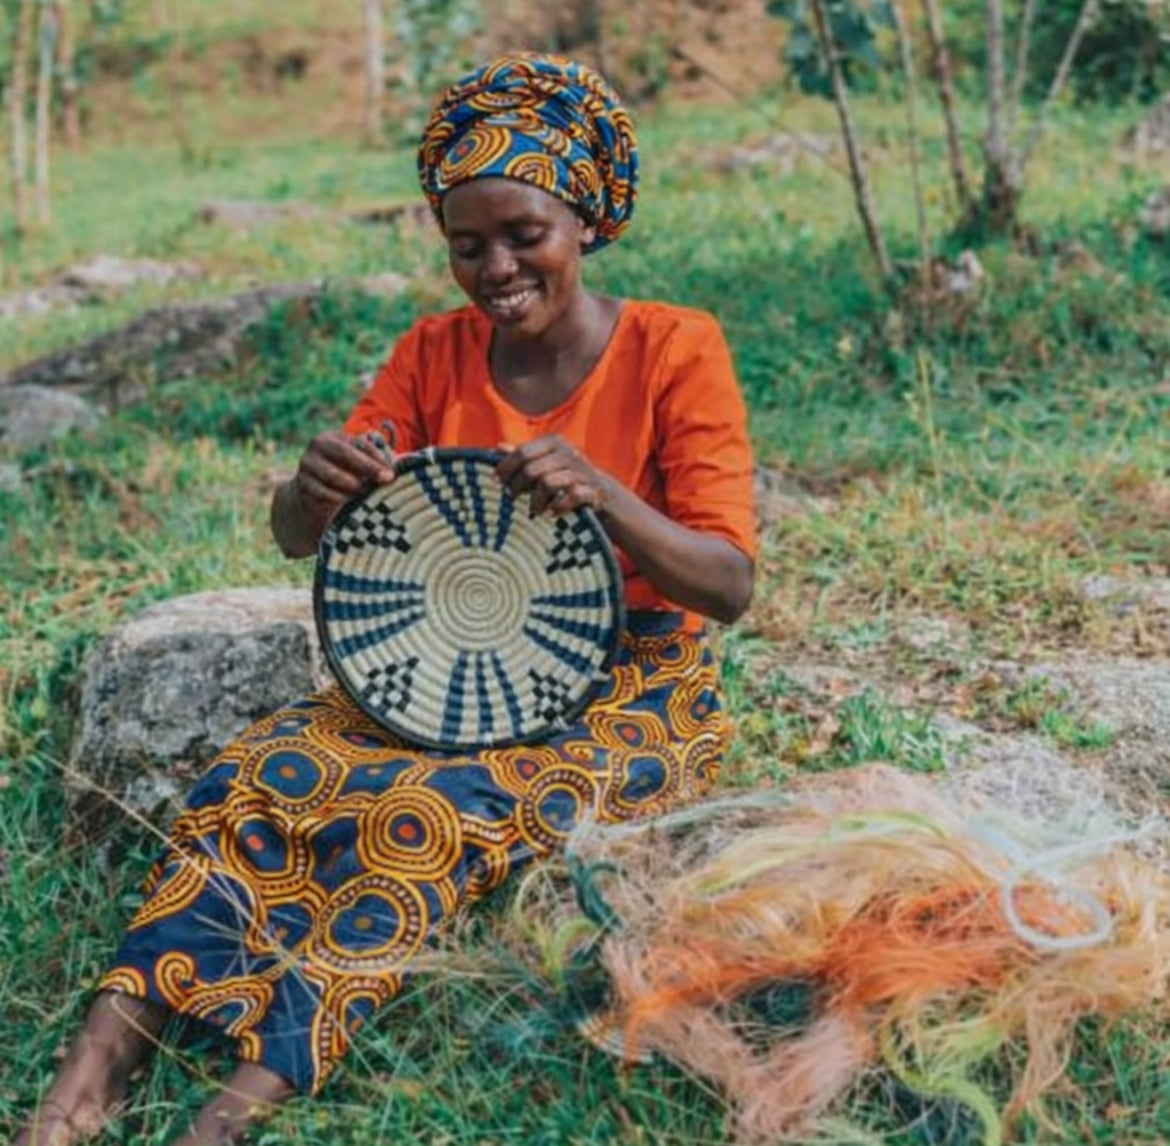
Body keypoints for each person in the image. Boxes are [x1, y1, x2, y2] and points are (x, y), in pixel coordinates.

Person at [17, 51, 756, 1146]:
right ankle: (89, 1076)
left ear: (586, 223)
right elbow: (298, 533)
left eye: (524, 235)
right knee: (255, 779)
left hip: (633, 676)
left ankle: (237, 1104)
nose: (495, 267)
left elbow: (729, 583)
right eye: (468, 244)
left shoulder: (671, 348)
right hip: (440, 660)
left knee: (427, 815)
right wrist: (308, 493)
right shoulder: (433, 353)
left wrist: (602, 493)